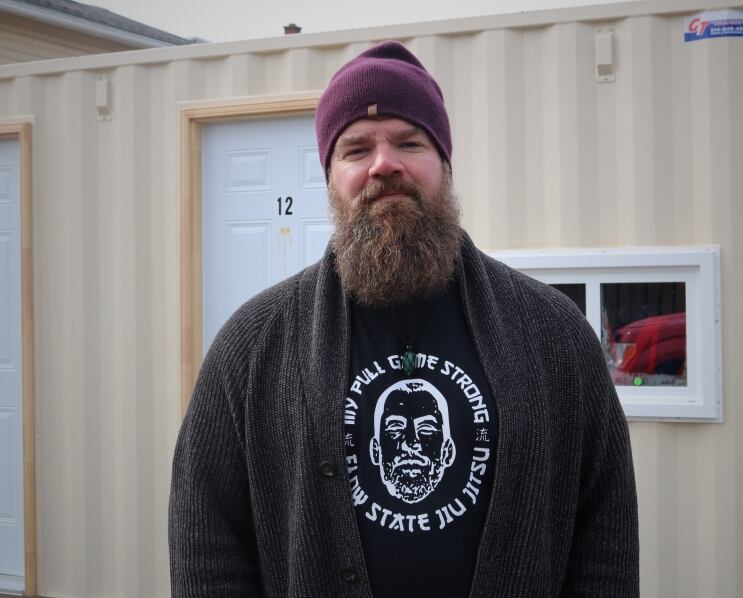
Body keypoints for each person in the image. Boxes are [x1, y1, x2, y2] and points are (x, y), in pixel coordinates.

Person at [169, 40, 639, 598]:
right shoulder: (253, 345)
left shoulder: (553, 333)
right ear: (331, 179)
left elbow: (605, 537)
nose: (383, 164)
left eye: (409, 142)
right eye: (355, 148)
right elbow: (207, 546)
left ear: (444, 163)